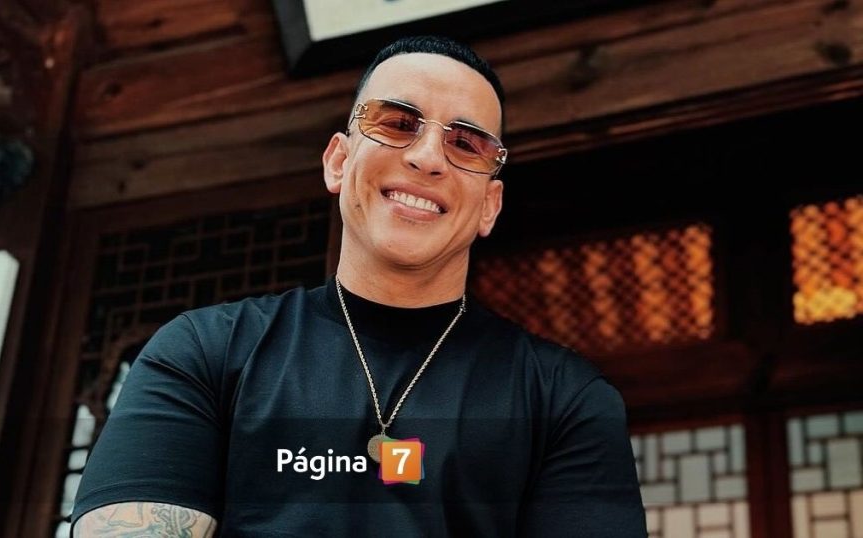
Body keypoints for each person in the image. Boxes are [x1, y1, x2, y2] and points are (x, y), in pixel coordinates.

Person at [71, 35, 646, 537]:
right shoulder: (205, 353)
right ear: (338, 162)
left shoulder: (564, 399)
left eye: (466, 143)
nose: (427, 158)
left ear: (490, 205)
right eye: (398, 123)